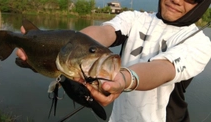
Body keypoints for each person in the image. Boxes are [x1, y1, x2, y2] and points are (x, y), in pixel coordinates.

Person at [17, 0, 211, 121]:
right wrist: (62, 51)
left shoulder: (200, 43)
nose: (177, 0)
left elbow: (163, 69)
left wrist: (125, 79)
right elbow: (103, 33)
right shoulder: (133, 18)